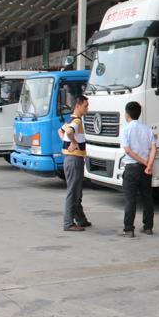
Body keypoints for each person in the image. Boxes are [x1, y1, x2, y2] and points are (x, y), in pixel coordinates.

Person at [120, 101, 157, 238]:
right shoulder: (147, 129)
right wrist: (149, 165)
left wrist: (144, 161)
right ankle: (148, 227)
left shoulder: (125, 129)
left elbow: (127, 151)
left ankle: (129, 229)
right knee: (147, 198)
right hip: (145, 169)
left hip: (131, 168)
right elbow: (154, 148)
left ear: (127, 114)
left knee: (130, 199)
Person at [61, 95, 91, 232]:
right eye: (85, 106)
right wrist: (73, 143)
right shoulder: (77, 121)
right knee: (73, 192)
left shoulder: (71, 119)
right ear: (78, 106)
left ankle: (81, 219)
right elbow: (68, 131)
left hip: (69, 158)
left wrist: (67, 144)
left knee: (76, 192)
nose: (87, 108)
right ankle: (68, 223)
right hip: (74, 159)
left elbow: (60, 131)